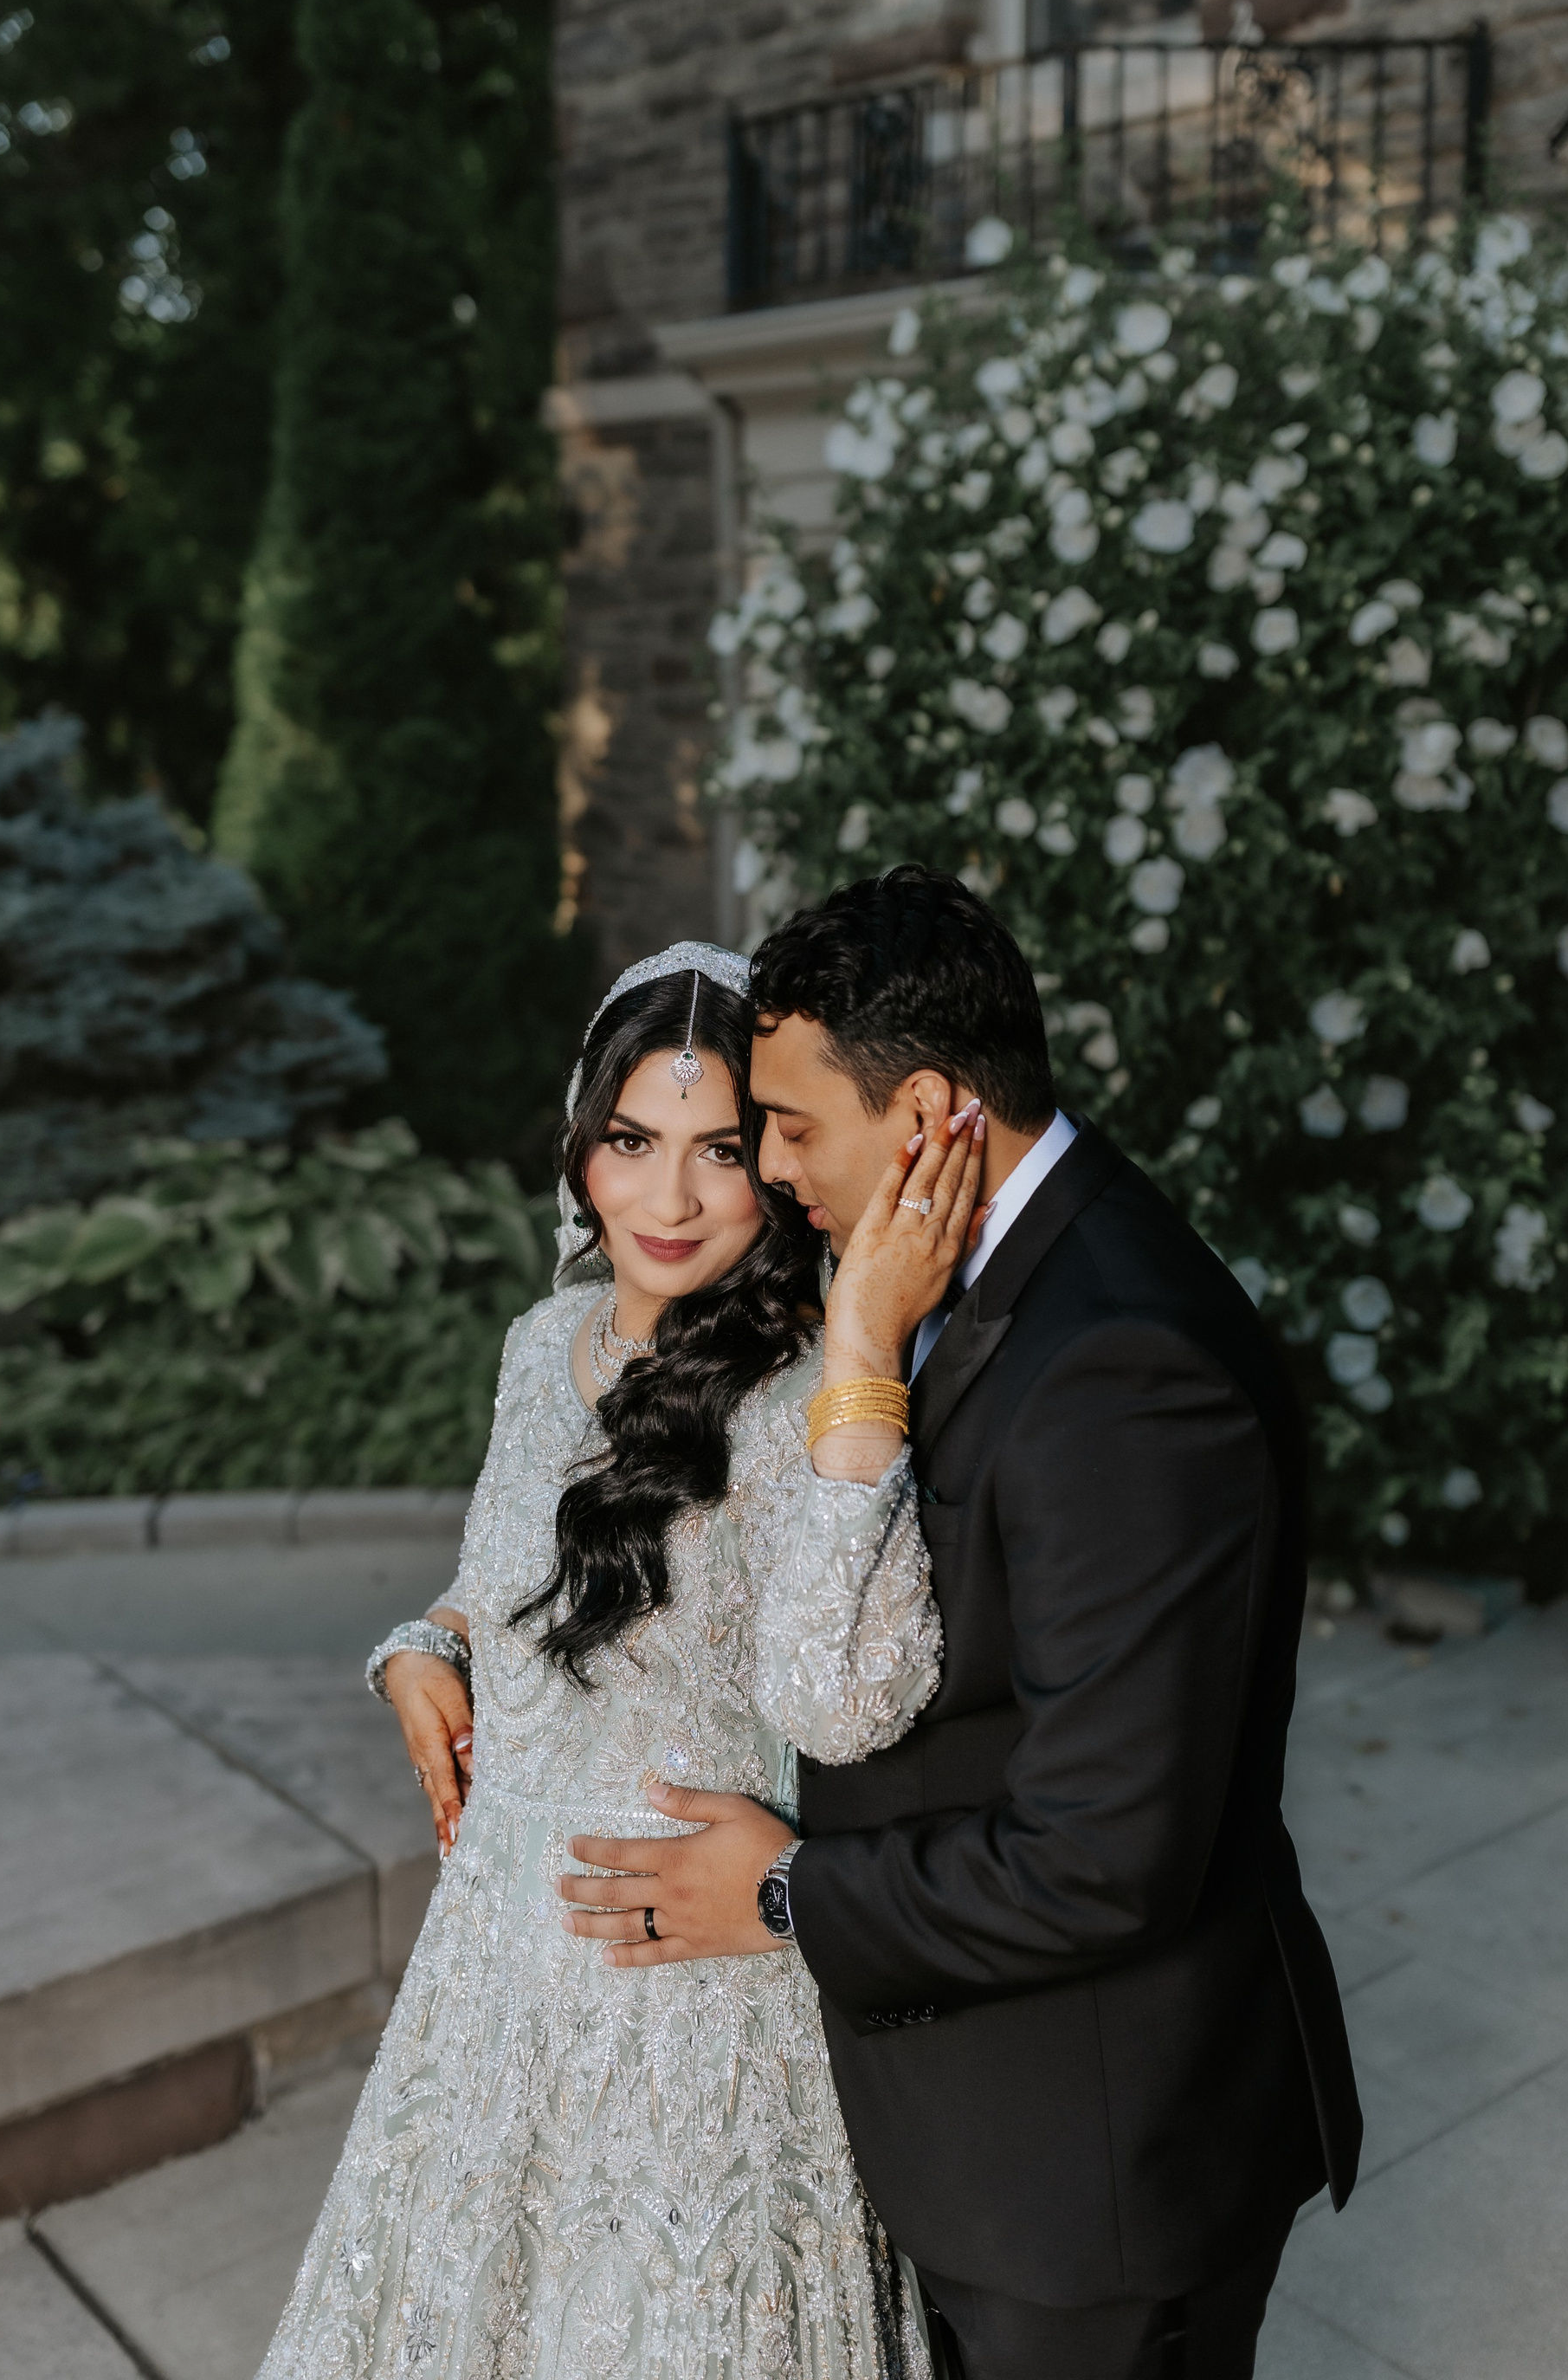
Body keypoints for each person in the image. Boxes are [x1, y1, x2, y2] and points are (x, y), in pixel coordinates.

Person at [559, 870, 1364, 2380]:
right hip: (969, 2127)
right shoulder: (938, 1255)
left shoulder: (1123, 1368)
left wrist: (786, 1894)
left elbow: (1100, 1855)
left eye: (790, 1127)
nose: (771, 1167)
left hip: (1084, 2177)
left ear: (929, 1110)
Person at [257, 939, 982, 2380]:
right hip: (494, 1980)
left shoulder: (809, 1388)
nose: (669, 1201)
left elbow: (851, 1704)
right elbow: (498, 1584)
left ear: (777, 1161)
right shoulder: (542, 1346)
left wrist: (864, 1359)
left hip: (695, 1993)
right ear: (581, 1139)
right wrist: (424, 1648)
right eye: (633, 1142)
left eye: (721, 1151)